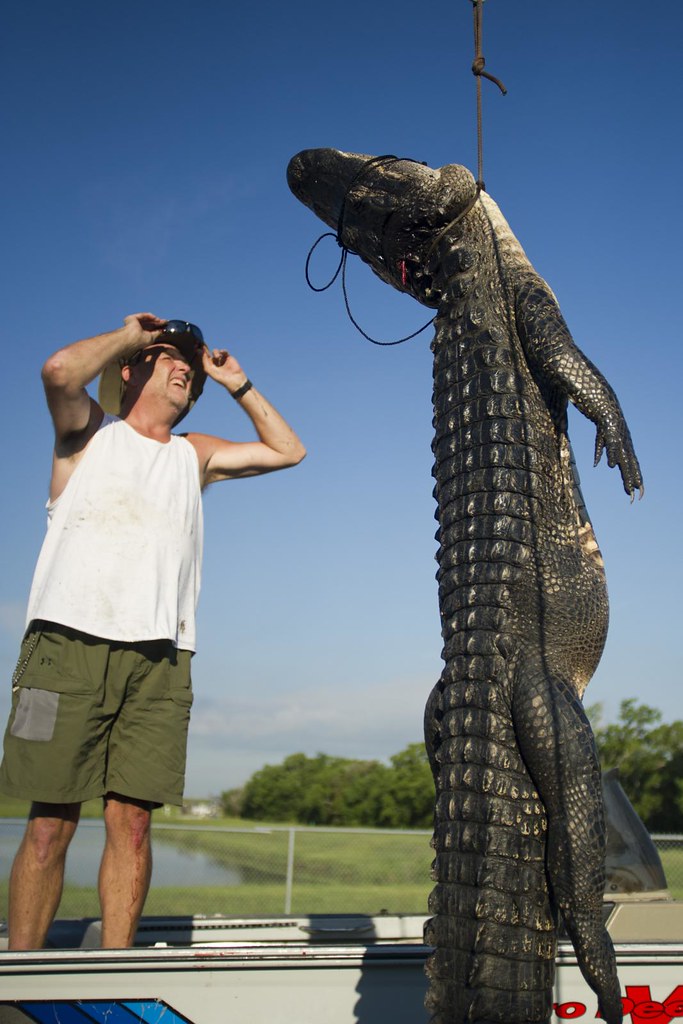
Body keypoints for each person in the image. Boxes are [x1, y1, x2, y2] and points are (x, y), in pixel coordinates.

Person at [0, 312, 306, 950]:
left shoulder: (195, 456)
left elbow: (288, 450)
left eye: (189, 367)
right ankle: (18, 981)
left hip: (162, 659)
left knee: (133, 825)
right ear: (131, 368)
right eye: (168, 356)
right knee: (50, 826)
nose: (182, 367)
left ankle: (117, 971)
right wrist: (132, 333)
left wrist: (238, 384)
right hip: (65, 648)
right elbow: (57, 370)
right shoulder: (88, 432)